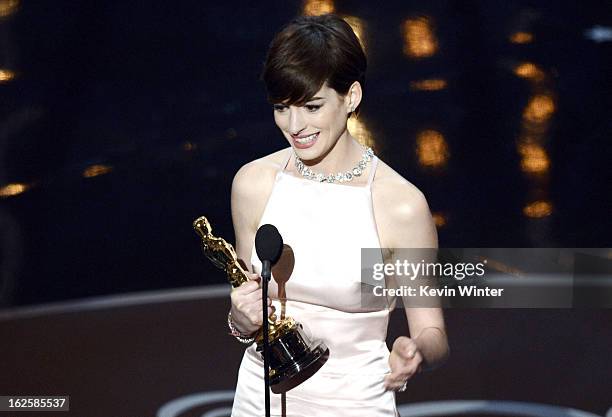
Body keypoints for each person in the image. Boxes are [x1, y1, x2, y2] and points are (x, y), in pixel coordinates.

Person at [227, 13, 449, 417]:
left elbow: (432, 331)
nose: (295, 126)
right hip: (261, 400)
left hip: (358, 403)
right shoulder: (254, 184)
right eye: (282, 108)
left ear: (351, 97)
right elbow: (248, 311)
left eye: (312, 106)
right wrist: (240, 319)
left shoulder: (399, 205)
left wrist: (415, 350)